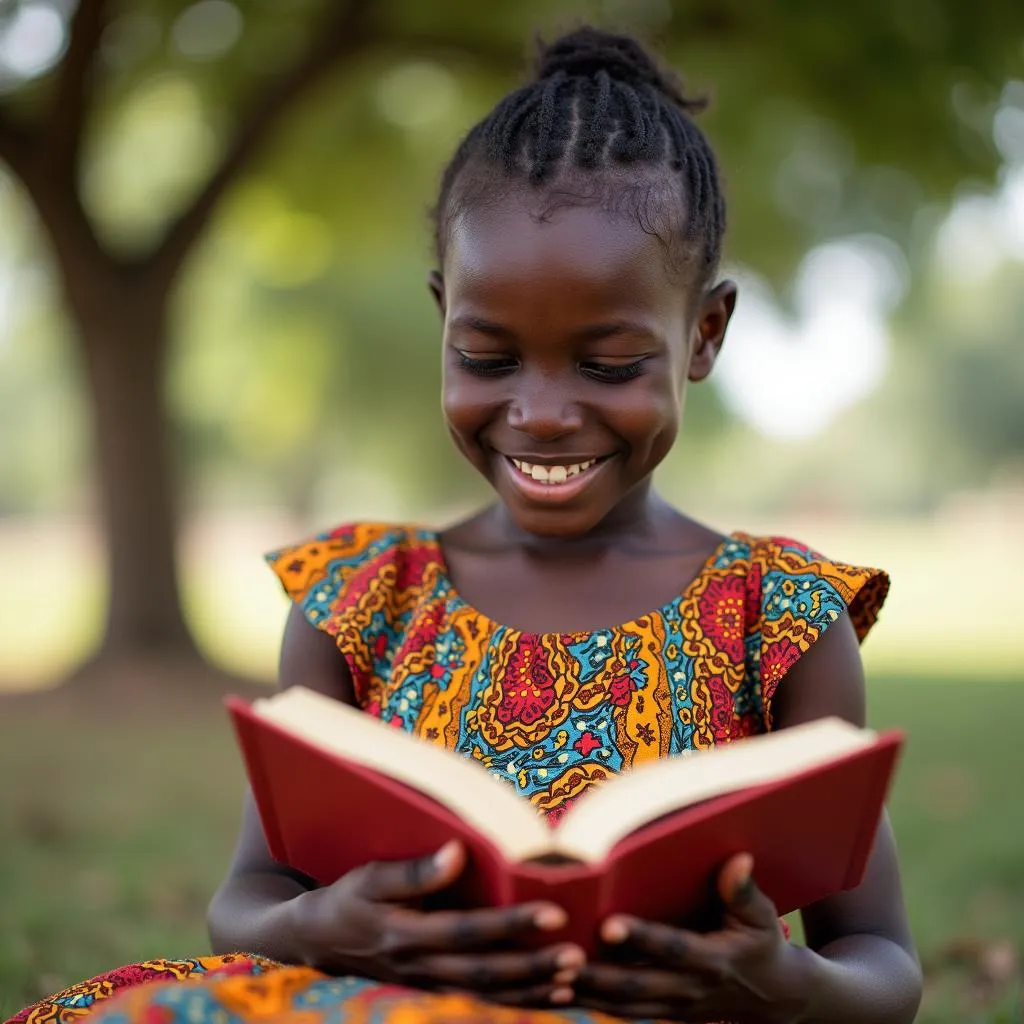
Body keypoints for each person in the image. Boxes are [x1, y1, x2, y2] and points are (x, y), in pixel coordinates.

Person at [10, 25, 923, 1024]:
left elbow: (879, 960)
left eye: (607, 364)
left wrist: (781, 983)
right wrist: (325, 928)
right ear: (444, 315)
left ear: (702, 332)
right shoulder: (362, 603)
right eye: (488, 356)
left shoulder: (779, 620)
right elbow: (246, 904)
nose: (538, 411)